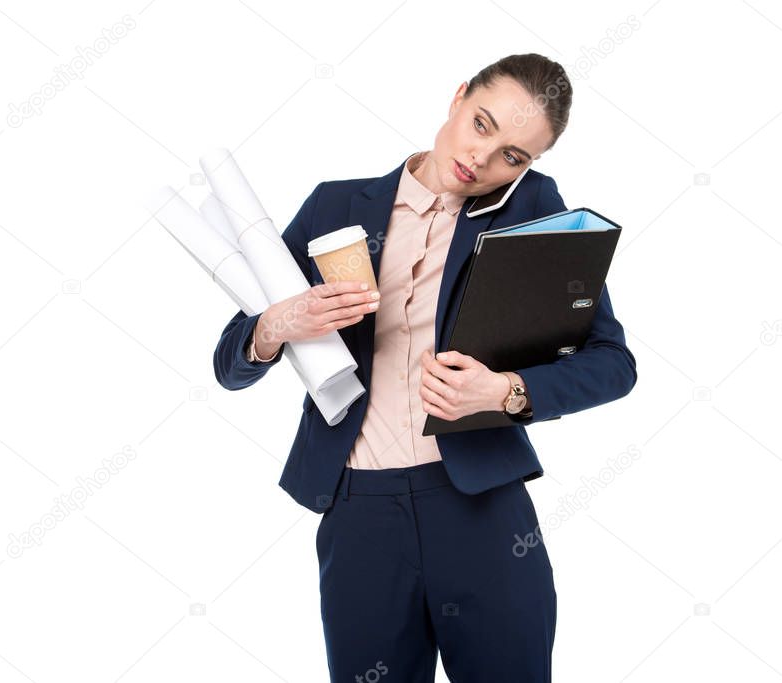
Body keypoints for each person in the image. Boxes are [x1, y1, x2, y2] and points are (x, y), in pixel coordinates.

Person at [213, 53, 637, 682]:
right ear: (458, 96)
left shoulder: (535, 212)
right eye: (481, 124)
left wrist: (507, 391)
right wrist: (278, 325)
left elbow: (613, 363)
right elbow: (230, 363)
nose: (484, 159)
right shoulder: (335, 207)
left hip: (480, 505)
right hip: (358, 508)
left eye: (515, 157)